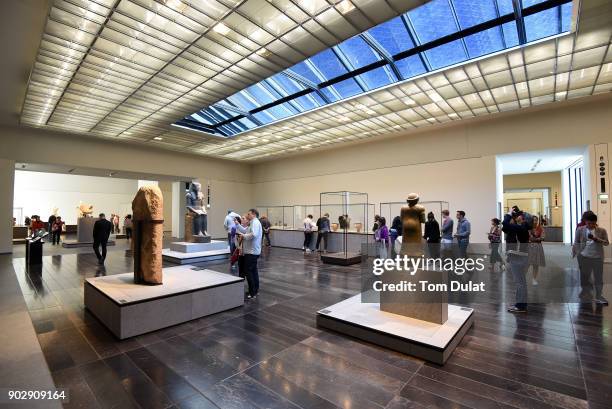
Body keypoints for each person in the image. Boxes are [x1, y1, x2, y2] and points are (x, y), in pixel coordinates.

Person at [572, 212, 609, 305]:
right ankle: (586, 293)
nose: (590, 225)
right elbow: (576, 242)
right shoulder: (580, 230)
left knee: (598, 278)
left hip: (597, 258)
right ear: (585, 222)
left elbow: (606, 243)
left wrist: (597, 239)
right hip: (584, 257)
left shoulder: (602, 230)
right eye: (588, 223)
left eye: (593, 223)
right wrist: (577, 253)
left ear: (595, 222)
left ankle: (599, 296)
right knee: (585, 277)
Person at [502, 208, 531, 313]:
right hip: (519, 256)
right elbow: (505, 228)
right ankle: (520, 304)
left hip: (518, 257)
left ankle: (521, 306)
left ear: (523, 219)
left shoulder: (521, 227)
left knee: (520, 282)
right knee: (520, 282)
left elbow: (505, 223)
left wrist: (509, 213)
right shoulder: (520, 227)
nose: (517, 216)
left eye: (520, 215)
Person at [235, 209, 262, 299]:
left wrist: (243, 236)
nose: (247, 215)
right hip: (252, 251)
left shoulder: (255, 222)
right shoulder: (253, 222)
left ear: (254, 214)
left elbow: (253, 234)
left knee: (249, 272)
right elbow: (246, 231)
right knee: (253, 271)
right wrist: (238, 226)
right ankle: (255, 290)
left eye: (249, 214)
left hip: (252, 252)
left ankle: (252, 292)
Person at [528, 216, 546, 285]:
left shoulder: (540, 228)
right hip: (529, 247)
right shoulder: (528, 229)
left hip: (538, 247)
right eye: (533, 220)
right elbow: (528, 237)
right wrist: (537, 238)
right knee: (527, 263)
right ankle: (522, 277)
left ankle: (534, 279)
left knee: (536, 264)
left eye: (536, 220)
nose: (535, 222)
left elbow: (543, 237)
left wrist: (535, 239)